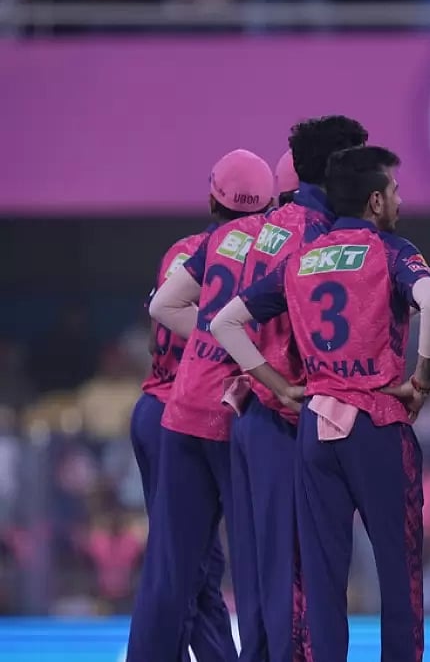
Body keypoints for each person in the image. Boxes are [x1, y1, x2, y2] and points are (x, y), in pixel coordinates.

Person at [210, 145, 430, 662]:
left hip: (316, 428)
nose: (400, 200)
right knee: (397, 568)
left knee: (322, 576)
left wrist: (274, 383)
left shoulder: (299, 260)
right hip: (378, 422)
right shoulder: (390, 249)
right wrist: (423, 377)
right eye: (394, 191)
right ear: (374, 201)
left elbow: (224, 322)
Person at [227, 115, 367, 662]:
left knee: (263, 571)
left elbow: (225, 318)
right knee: (295, 571)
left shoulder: (269, 226)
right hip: (287, 418)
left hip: (251, 414)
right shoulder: (319, 238)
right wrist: (281, 386)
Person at [128, 148, 275, 662]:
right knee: (239, 564)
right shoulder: (276, 250)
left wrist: (210, 336)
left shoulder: (185, 249)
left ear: (212, 199)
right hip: (226, 410)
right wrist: (233, 346)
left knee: (178, 567)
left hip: (162, 408)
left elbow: (158, 324)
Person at [130, 222, 233, 662]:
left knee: (190, 566)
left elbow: (162, 308)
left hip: (156, 407)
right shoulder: (254, 250)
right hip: (201, 409)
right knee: (181, 567)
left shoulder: (183, 249)